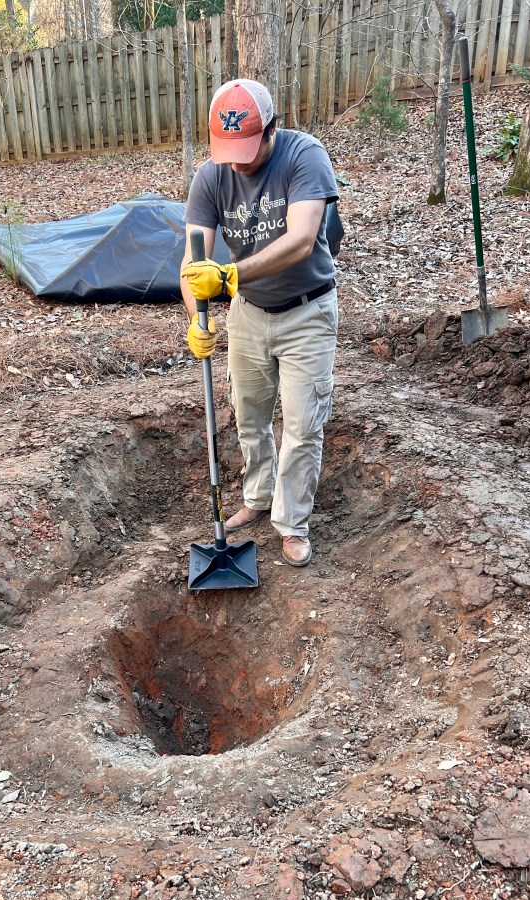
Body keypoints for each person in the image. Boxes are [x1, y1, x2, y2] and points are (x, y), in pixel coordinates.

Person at [180, 78, 339, 569]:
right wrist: (196, 318)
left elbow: (301, 239)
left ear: (272, 128)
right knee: (249, 416)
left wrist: (229, 274)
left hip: (306, 311)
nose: (239, 161)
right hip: (248, 315)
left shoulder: (304, 156)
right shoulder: (210, 176)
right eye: (228, 150)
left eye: (248, 149)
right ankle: (258, 497)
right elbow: (192, 261)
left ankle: (292, 524)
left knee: (301, 423)